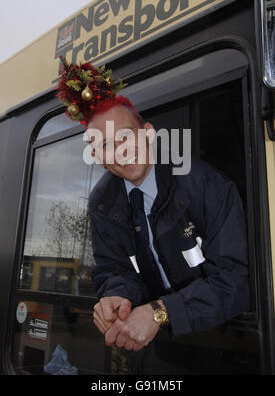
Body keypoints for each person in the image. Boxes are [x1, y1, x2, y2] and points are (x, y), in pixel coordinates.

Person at [56, 57, 250, 356]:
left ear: (148, 133)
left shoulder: (204, 184)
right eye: (105, 145)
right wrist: (116, 296)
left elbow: (236, 280)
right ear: (97, 157)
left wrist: (159, 312)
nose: (120, 152)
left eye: (125, 136)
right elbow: (113, 269)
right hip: (161, 351)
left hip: (235, 345)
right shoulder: (102, 204)